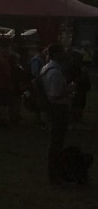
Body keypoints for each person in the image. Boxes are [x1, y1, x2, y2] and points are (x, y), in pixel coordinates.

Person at [39, 43, 71, 184]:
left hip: (54, 108)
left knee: (56, 142)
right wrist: (68, 90)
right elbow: (54, 95)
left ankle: (55, 172)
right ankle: (54, 174)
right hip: (57, 109)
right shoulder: (54, 72)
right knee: (56, 143)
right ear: (56, 54)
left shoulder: (48, 69)